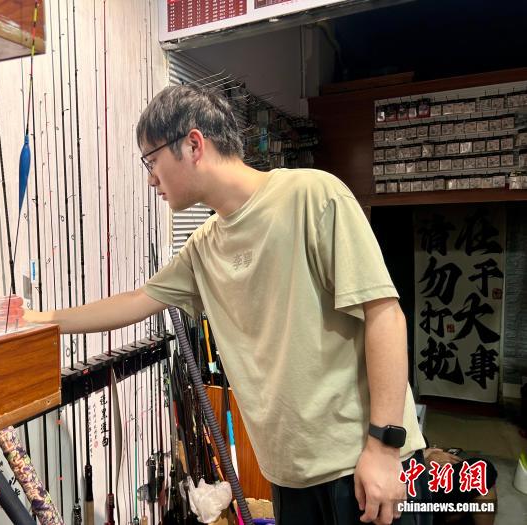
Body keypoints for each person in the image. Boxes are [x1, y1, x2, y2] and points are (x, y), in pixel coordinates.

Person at [25, 85, 427, 524]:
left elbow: (384, 315)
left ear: (194, 145)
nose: (151, 179)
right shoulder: (203, 246)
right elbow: (137, 301)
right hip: (289, 476)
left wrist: (384, 447)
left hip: (362, 465)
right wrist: (37, 320)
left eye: (151, 160)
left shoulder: (313, 195)